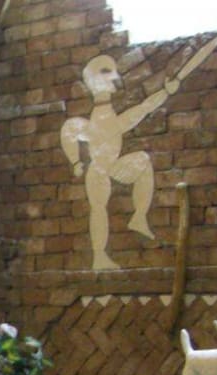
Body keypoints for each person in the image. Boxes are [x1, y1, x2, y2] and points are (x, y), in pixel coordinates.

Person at [61, 55, 178, 270]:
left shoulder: (109, 120)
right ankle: (99, 256)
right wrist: (76, 161)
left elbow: (143, 108)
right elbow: (69, 130)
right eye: (108, 72)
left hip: (113, 165)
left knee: (143, 160)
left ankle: (139, 217)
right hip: (98, 170)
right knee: (98, 208)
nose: (116, 77)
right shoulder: (100, 122)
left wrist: (165, 92)